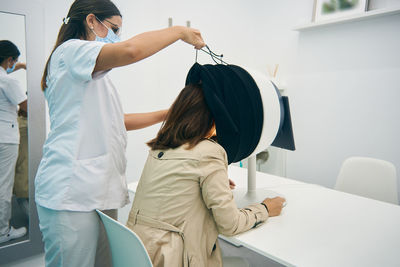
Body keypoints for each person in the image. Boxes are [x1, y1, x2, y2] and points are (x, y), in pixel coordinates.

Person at [34, 0, 205, 266]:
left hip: (96, 189)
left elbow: (116, 121)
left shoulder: (89, 73)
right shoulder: (71, 52)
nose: (116, 37)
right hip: (71, 192)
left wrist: (167, 114)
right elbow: (131, 50)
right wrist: (180, 32)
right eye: (113, 28)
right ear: (91, 21)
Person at [126, 83, 286, 267]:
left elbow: (178, 185)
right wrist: (264, 208)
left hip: (143, 255)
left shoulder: (161, 147)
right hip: (175, 258)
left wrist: (208, 181)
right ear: (211, 117)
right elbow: (230, 224)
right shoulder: (209, 152)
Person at [0, 40, 28, 244]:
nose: (14, 65)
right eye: (14, 62)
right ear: (8, 59)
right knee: (4, 185)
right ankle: (2, 232)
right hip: (6, 139)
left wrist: (23, 65)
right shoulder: (9, 82)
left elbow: (7, 71)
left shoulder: (3, 77)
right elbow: (27, 106)